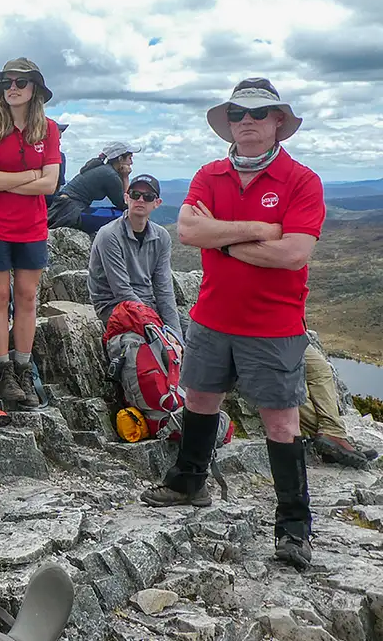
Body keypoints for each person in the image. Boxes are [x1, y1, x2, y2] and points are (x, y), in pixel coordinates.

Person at [139, 77, 326, 572]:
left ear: (279, 123)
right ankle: (188, 481)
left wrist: (218, 238)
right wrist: (257, 231)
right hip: (212, 317)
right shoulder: (210, 175)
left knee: (281, 422)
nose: (247, 121)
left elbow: (293, 253)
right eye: (239, 114)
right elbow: (187, 230)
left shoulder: (301, 180)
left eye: (259, 114)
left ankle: (293, 527)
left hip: (274, 323)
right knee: (200, 398)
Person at [0, 57, 61, 406]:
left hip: (31, 226)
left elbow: (51, 184)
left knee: (26, 296)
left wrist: (7, 181)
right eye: (7, 83)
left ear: (34, 88)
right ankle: (3, 369)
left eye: (20, 82)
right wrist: (30, 176)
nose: (13, 88)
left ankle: (23, 366)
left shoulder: (48, 129)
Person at [87, 174, 182, 340]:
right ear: (126, 198)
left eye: (148, 197)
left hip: (148, 304)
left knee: (195, 339)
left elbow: (163, 288)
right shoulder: (109, 235)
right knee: (149, 344)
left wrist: (176, 335)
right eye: (135, 195)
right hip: (114, 306)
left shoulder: (162, 237)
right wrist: (158, 329)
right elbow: (121, 290)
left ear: (157, 203)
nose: (140, 200)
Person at [301, 341, 378, 467]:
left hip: (289, 334)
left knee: (320, 370)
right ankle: (331, 442)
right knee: (294, 386)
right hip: (264, 338)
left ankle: (332, 432)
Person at [47, 141, 138, 233]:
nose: (131, 162)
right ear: (120, 159)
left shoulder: (102, 168)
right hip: (70, 213)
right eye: (130, 158)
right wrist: (125, 177)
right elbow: (125, 204)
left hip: (62, 208)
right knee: (126, 216)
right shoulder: (110, 175)